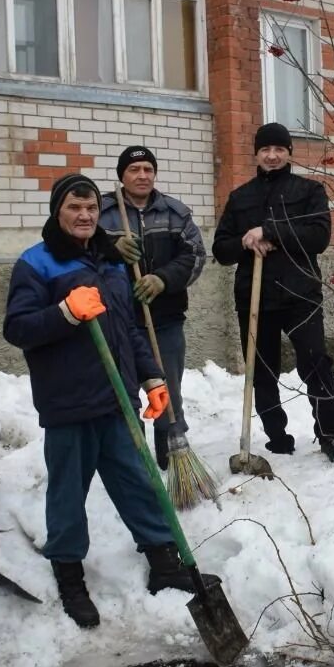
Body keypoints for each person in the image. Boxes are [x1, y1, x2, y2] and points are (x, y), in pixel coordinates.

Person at [3, 172, 219, 629]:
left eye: (88, 208)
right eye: (73, 208)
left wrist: (152, 377)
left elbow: (128, 329)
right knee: (67, 494)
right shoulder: (36, 264)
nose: (83, 216)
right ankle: (69, 574)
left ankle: (164, 561)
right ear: (57, 213)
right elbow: (17, 329)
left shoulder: (111, 262)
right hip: (70, 401)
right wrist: (63, 313)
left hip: (118, 398)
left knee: (139, 482)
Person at [211, 122, 334, 462]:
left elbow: (319, 237)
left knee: (315, 362)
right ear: (255, 154)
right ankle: (277, 438)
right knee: (262, 371)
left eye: (279, 149)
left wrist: (270, 230)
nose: (272, 156)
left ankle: (329, 434)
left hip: (299, 295)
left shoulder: (309, 191)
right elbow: (220, 249)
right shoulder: (240, 197)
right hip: (254, 298)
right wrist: (245, 241)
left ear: (289, 152)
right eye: (265, 150)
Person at [100, 146, 207, 470]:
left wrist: (162, 280)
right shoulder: (102, 214)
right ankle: (131, 456)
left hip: (165, 320)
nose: (142, 175)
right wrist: (110, 247)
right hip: (120, 323)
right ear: (122, 176)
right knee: (125, 390)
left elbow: (196, 256)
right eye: (134, 170)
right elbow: (82, 254)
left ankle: (170, 444)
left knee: (167, 387)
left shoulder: (175, 213)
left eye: (148, 169)